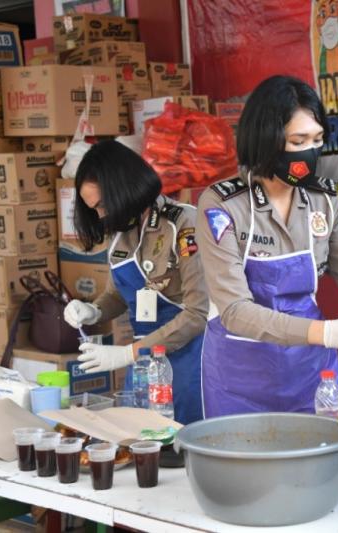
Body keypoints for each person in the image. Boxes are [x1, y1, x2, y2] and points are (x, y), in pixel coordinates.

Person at [197, 75, 338, 417]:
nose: (311, 150)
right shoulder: (222, 205)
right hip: (239, 378)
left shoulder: (324, 201)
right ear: (267, 141)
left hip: (311, 374)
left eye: (318, 139)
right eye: (298, 140)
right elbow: (235, 311)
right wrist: (332, 331)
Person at [63, 140, 208, 425]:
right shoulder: (120, 235)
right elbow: (118, 295)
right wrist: (93, 311)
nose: (101, 216)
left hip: (189, 359)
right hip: (141, 363)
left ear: (124, 188)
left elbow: (197, 314)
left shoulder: (183, 224)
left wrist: (126, 354)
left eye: (103, 205)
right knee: (139, 444)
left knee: (179, 447)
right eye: (94, 210)